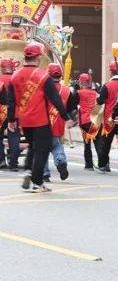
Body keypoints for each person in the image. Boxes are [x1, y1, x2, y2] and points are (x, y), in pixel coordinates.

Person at [7, 43, 69, 192]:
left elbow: (11, 101)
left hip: (24, 121)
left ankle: (30, 170)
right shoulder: (43, 76)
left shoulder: (15, 76)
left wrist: (11, 120)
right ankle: (37, 182)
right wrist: (65, 116)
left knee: (34, 147)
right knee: (42, 150)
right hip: (40, 121)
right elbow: (54, 98)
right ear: (38, 58)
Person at [40, 64, 76, 183]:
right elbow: (72, 108)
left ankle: (45, 174)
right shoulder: (67, 91)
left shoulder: (43, 88)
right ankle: (61, 161)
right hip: (58, 124)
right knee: (56, 146)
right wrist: (70, 120)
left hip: (43, 123)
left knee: (42, 149)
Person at [95, 61, 118, 173]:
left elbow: (100, 101)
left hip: (109, 119)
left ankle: (103, 165)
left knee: (105, 143)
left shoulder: (107, 85)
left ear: (111, 72)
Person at [76, 73, 101, 170]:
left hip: (85, 121)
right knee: (98, 142)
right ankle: (103, 163)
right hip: (95, 120)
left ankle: (89, 164)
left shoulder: (79, 93)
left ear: (81, 83)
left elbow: (74, 105)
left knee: (87, 143)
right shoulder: (96, 93)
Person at [0, 58, 20, 171]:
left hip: (0, 114)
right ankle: (14, 163)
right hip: (15, 112)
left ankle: (1, 160)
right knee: (14, 137)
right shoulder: (17, 79)